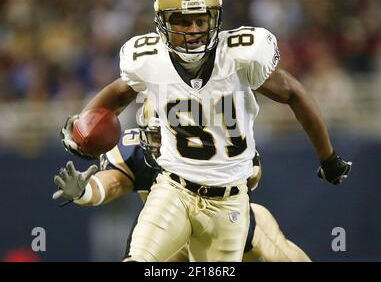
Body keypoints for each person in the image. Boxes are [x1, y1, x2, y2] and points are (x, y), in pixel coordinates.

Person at [61, 0, 351, 261]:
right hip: (174, 189)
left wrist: (328, 158)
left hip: (230, 208)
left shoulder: (239, 58)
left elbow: (292, 95)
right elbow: (110, 174)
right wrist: (83, 128)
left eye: (202, 19)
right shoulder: (143, 107)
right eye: (183, 21)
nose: (194, 29)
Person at [54, 101, 310, 262]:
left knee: (279, 256)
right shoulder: (135, 150)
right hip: (173, 230)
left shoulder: (215, 143)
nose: (158, 143)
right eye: (154, 135)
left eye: (166, 135)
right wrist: (86, 192)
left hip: (226, 223)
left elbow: (253, 174)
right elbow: (114, 182)